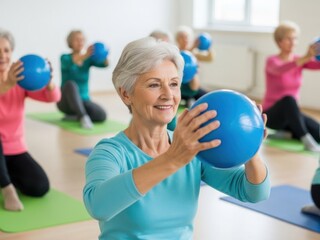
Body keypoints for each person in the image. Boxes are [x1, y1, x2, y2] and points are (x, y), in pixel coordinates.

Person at [83, 36, 270, 239]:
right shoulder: (110, 153)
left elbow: (254, 193)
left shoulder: (193, 149)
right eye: (154, 85)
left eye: (173, 84)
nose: (167, 95)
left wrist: (251, 148)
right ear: (126, 94)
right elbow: (98, 206)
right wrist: (173, 159)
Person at [0, 29, 61, 211]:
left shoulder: (20, 79)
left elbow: (52, 98)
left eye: (6, 50)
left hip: (14, 148)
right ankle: (7, 188)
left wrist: (49, 83)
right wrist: (7, 84)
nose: (2, 55)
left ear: (12, 52)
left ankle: (4, 174)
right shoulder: (13, 81)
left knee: (40, 187)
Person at [262, 21, 320, 152]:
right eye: (289, 39)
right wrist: (305, 57)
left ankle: (287, 134)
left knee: (318, 132)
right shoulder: (272, 61)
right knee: (289, 100)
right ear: (279, 41)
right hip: (272, 115)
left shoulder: (300, 60)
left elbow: (317, 65)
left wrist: (308, 57)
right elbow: (281, 69)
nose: (293, 42)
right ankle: (307, 141)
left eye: (295, 38)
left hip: (292, 115)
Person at [57, 30, 108, 129]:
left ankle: (75, 116)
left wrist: (104, 54)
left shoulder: (88, 60)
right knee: (70, 84)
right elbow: (74, 61)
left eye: (82, 40)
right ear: (70, 42)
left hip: (83, 101)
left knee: (102, 115)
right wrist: (86, 55)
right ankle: (83, 117)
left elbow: (105, 64)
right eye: (76, 40)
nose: (80, 42)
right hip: (65, 103)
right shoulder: (65, 58)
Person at [175, 26, 213, 108]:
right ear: (177, 39)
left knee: (209, 98)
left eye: (187, 37)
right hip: (181, 87)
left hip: (194, 86)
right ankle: (187, 99)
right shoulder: (175, 52)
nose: (185, 39)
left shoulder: (194, 52)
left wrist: (208, 46)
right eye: (182, 37)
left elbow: (209, 58)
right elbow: (183, 56)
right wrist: (193, 48)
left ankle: (190, 99)